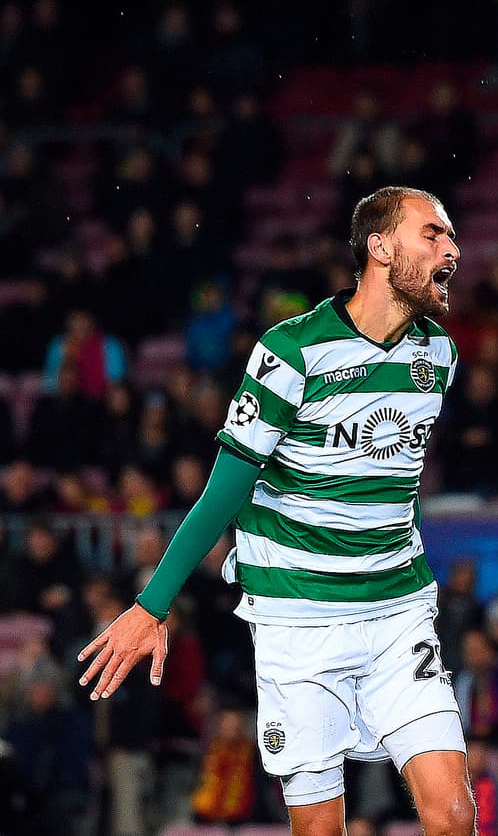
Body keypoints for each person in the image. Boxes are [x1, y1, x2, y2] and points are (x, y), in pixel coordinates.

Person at [76, 186, 475, 835]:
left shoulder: (438, 357)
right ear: (379, 248)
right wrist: (153, 605)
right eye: (433, 234)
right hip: (299, 619)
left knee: (454, 813)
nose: (452, 249)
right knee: (319, 829)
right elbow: (222, 494)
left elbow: (397, 486)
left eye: (451, 237)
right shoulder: (291, 351)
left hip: (397, 614)